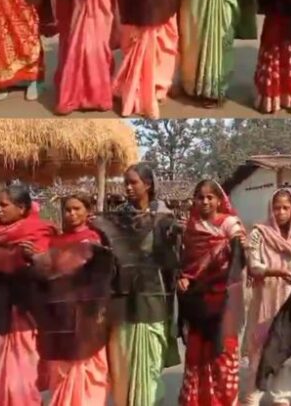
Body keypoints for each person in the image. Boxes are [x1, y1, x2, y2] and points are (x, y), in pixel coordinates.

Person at [0, 183, 54, 405]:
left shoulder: (38, 233)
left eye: (4, 205)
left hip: (23, 317)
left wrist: (35, 258)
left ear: (22, 208)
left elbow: (51, 273)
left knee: (20, 382)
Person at [100, 163, 180, 406]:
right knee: (124, 364)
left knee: (150, 364)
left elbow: (173, 261)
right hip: (123, 299)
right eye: (126, 182)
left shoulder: (164, 218)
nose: (128, 187)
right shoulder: (116, 219)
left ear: (148, 184)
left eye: (133, 182)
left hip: (152, 296)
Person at [32, 192, 110, 406]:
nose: (72, 214)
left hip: (85, 316)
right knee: (60, 369)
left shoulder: (94, 240)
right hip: (58, 315)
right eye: (67, 210)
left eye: (77, 209)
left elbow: (101, 280)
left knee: (85, 369)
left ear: (87, 212)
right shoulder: (53, 242)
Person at [241, 189, 291, 406]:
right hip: (265, 300)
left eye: (285, 208)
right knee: (260, 349)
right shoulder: (258, 233)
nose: (280, 212)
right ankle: (253, 395)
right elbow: (253, 266)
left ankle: (282, 397)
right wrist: (277, 272)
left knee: (287, 350)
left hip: (289, 300)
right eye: (276, 208)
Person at [178, 180, 246, 406]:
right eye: (200, 197)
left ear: (219, 200)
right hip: (198, 301)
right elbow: (186, 263)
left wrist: (238, 247)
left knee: (223, 353)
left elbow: (240, 257)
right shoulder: (192, 227)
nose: (205, 201)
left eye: (210, 197)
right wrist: (183, 278)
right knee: (197, 354)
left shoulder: (230, 224)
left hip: (224, 300)